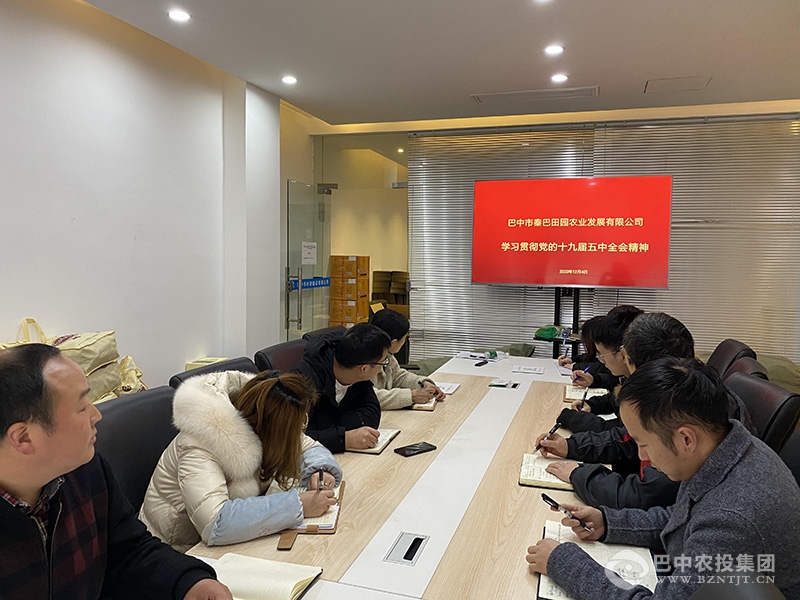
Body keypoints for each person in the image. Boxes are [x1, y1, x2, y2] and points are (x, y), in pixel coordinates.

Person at [526, 357, 800, 599]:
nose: (641, 456)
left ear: (685, 439)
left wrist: (563, 563)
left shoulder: (731, 520)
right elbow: (684, 519)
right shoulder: (727, 446)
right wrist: (609, 523)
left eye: (643, 443)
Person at [0, 344, 232, 600]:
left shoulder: (85, 472)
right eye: (81, 407)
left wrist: (189, 582)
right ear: (23, 437)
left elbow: (128, 551)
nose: (96, 415)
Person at [140, 370, 342, 552]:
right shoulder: (199, 443)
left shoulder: (263, 410)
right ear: (274, 429)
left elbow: (307, 446)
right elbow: (215, 523)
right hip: (174, 550)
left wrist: (319, 470)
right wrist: (297, 505)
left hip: (229, 546)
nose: (303, 427)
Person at [541, 312, 695, 509]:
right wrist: (570, 446)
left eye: (625, 355)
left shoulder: (673, 414)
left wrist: (578, 474)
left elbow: (644, 496)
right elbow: (627, 439)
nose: (642, 454)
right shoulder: (678, 394)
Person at [293, 322, 391, 453]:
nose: (381, 369)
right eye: (383, 362)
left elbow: (371, 415)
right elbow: (292, 438)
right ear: (364, 368)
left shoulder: (357, 372)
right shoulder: (303, 382)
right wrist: (344, 438)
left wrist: (331, 430)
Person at [369, 309, 445, 410]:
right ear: (393, 343)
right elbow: (367, 396)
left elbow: (398, 376)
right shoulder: (363, 360)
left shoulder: (387, 354)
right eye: (404, 338)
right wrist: (411, 396)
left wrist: (423, 384)